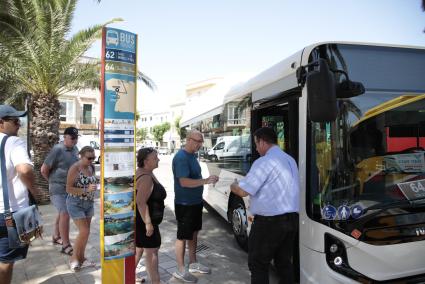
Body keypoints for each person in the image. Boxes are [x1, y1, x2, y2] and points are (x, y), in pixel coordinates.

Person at [230, 127, 300, 284]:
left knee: (258, 264)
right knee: (283, 263)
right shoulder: (290, 160)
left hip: (269, 223)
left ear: (262, 141)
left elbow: (242, 191)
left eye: (256, 144)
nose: (256, 148)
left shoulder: (264, 162)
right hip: (291, 221)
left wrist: (233, 185)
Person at [0, 105, 40, 284]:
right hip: (9, 214)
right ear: (1, 123)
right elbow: (24, 170)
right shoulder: (12, 142)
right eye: (15, 121)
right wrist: (35, 191)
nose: (19, 125)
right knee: (5, 261)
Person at [172, 130, 219, 283]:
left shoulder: (192, 155)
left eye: (201, 141)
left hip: (195, 202)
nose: (200, 144)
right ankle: (180, 269)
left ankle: (193, 263)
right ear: (189, 140)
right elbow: (184, 182)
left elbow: (195, 178)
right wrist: (205, 181)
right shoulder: (181, 157)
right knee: (182, 236)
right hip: (184, 204)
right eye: (198, 141)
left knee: (194, 233)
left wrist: (208, 179)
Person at [41, 126, 79, 255]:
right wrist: (52, 181)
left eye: (76, 138)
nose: (74, 141)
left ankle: (56, 236)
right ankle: (66, 245)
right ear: (65, 137)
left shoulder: (75, 149)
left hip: (69, 188)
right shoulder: (57, 149)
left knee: (62, 212)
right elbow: (43, 169)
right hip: (57, 188)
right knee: (65, 213)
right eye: (72, 138)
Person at [135, 147, 166, 284]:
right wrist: (148, 223)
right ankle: (155, 281)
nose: (158, 159)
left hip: (144, 221)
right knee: (152, 253)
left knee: (140, 249)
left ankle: (129, 275)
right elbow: (141, 202)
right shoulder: (146, 177)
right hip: (146, 222)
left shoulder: (146, 172)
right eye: (155, 158)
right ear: (146, 161)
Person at [65, 146, 97, 272]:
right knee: (84, 231)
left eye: (93, 158)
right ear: (81, 156)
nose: (92, 160)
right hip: (75, 203)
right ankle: (73, 258)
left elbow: (91, 183)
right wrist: (86, 190)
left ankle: (82, 258)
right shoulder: (75, 168)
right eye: (89, 158)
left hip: (88, 203)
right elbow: (68, 189)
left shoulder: (91, 167)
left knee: (86, 233)